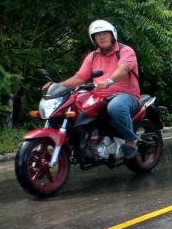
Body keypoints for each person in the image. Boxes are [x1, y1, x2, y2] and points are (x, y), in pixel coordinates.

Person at [43, 20, 141, 159]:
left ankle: (130, 141)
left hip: (126, 95)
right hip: (98, 96)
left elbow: (123, 69)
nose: (101, 37)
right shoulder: (92, 56)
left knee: (115, 107)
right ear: (93, 39)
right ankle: (86, 141)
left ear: (112, 34)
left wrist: (109, 81)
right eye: (97, 35)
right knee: (74, 105)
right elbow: (79, 78)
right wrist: (57, 86)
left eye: (105, 33)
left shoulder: (126, 51)